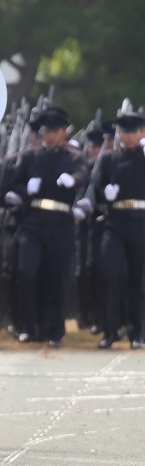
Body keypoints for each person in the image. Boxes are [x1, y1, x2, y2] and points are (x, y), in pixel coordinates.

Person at [6, 107, 87, 347]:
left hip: (60, 222)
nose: (50, 135)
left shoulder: (73, 157)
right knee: (27, 273)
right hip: (33, 220)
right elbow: (13, 185)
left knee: (56, 277)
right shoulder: (31, 157)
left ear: (63, 132)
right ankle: (28, 327)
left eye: (55, 131)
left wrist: (73, 179)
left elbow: (84, 173)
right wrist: (25, 188)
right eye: (46, 131)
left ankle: (54, 331)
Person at [91, 112, 145, 349]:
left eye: (133, 132)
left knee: (138, 279)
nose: (129, 137)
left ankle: (137, 331)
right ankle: (110, 330)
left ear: (141, 133)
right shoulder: (109, 159)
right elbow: (95, 188)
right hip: (115, 220)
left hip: (141, 221)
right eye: (125, 132)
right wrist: (105, 195)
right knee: (109, 274)